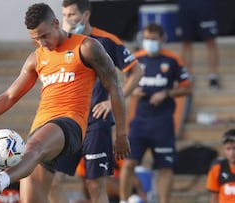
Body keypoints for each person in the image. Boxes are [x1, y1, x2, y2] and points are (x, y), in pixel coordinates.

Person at [0, 3, 130, 202]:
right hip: (41, 127)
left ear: (56, 24)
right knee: (32, 196)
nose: (42, 42)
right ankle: (4, 178)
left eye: (44, 35)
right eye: (35, 38)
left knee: (33, 148)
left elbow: (115, 88)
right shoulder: (36, 58)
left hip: (70, 124)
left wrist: (121, 134)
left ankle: (2, 179)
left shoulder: (87, 47)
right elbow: (9, 96)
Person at [48, 1, 144, 203]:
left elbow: (137, 71)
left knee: (94, 185)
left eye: (72, 14)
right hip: (67, 122)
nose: (67, 19)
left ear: (86, 16)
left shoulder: (106, 41)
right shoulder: (61, 43)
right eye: (64, 14)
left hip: (95, 122)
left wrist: (112, 101)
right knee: (52, 182)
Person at [118, 23, 192, 203]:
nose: (150, 42)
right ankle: (123, 200)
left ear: (162, 39)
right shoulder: (136, 59)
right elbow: (126, 86)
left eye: (153, 39)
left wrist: (166, 93)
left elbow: (187, 87)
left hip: (163, 122)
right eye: (147, 39)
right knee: (128, 163)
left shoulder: (172, 60)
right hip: (140, 122)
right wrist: (134, 91)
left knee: (165, 167)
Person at [177, 0, 220, 89]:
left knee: (210, 40)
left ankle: (213, 76)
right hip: (186, 5)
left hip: (205, 5)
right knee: (186, 41)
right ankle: (187, 77)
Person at [207, 129, 235, 203]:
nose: (232, 153)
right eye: (228, 149)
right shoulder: (217, 168)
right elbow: (214, 197)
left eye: (234, 148)